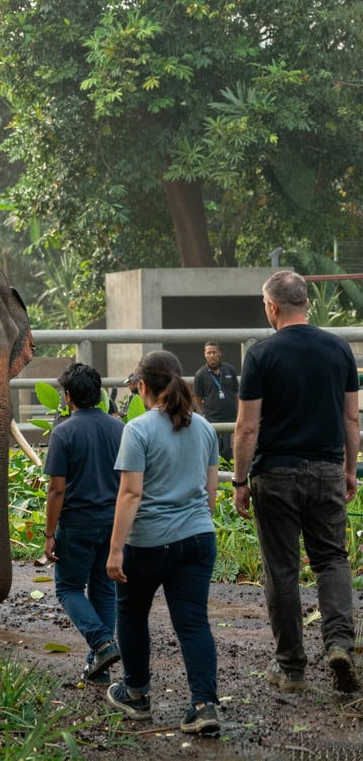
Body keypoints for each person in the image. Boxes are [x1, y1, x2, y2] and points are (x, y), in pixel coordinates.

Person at [232, 270, 361, 694]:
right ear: (306, 301)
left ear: (272, 307)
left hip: (276, 474)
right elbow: (351, 419)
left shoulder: (261, 355)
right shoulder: (339, 349)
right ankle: (340, 643)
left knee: (283, 569)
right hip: (326, 471)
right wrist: (349, 468)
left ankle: (291, 668)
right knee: (331, 560)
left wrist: (239, 480)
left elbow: (247, 429)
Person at [106, 350, 221, 734]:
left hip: (148, 543)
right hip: (198, 537)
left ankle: (137, 694)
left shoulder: (136, 430)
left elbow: (130, 494)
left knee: (133, 613)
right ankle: (204, 705)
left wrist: (116, 549)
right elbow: (210, 494)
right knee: (193, 623)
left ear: (142, 387)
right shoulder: (204, 428)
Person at [43, 363, 124, 684]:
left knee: (68, 588)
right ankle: (97, 664)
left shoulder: (64, 432)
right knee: (104, 590)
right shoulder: (119, 429)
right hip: (114, 522)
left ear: (67, 396)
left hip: (78, 523)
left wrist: (49, 534)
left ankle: (103, 643)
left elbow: (56, 489)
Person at [193, 341, 239, 461]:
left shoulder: (230, 370)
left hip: (231, 418)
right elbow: (197, 397)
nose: (212, 355)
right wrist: (204, 412)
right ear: (205, 355)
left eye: (214, 352)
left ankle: (228, 475)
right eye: (209, 353)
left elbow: (235, 393)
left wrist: (237, 409)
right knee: (215, 450)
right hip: (212, 420)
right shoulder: (200, 374)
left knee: (229, 451)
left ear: (220, 353)